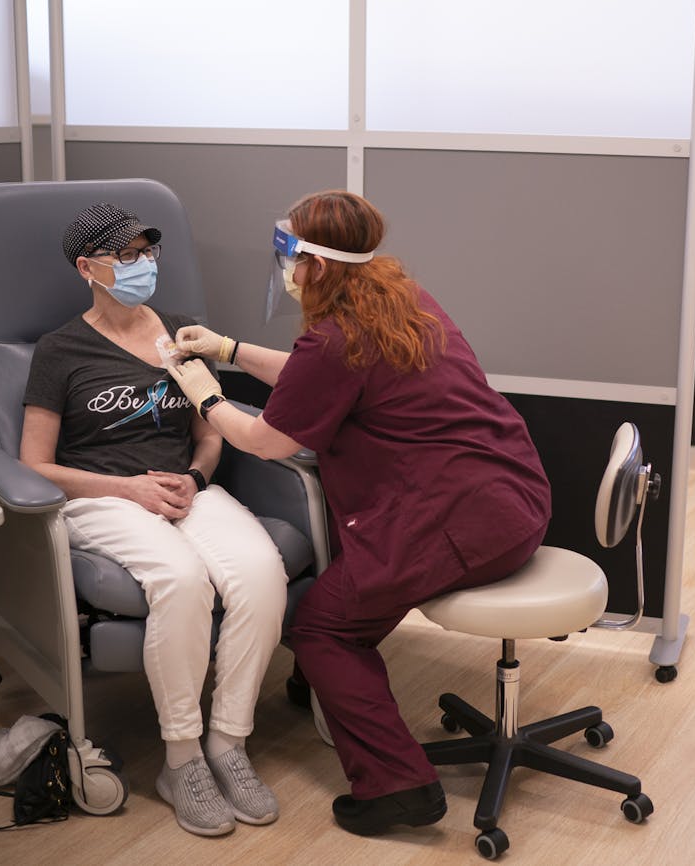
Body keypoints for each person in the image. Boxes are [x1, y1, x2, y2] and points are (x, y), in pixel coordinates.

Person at [165, 190, 552, 836]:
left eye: (289, 253)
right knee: (349, 599)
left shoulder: (338, 339)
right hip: (516, 498)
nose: (284, 266)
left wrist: (206, 397)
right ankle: (333, 689)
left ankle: (397, 787)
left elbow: (266, 440)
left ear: (318, 264)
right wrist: (231, 350)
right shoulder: (401, 300)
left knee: (322, 627)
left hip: (457, 525)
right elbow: (320, 376)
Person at [20, 202, 288, 838]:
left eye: (148, 251)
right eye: (127, 254)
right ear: (88, 268)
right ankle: (183, 758)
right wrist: (128, 489)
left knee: (259, 573)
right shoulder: (60, 350)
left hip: (184, 488)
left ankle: (227, 742)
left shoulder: (182, 333)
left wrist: (195, 479)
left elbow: (211, 430)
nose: (143, 264)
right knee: (181, 578)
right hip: (102, 497)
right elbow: (35, 464)